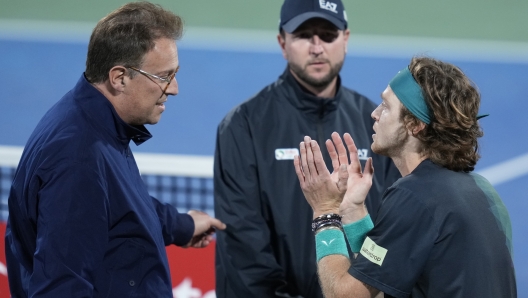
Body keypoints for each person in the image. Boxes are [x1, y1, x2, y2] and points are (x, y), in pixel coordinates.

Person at [5, 2, 225, 297]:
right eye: (164, 76)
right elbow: (62, 287)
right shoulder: (79, 157)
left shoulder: (93, 122)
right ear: (119, 77)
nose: (174, 89)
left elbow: (117, 204)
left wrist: (180, 225)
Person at [213, 0, 400, 296]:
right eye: (303, 36)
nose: (317, 47)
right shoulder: (244, 125)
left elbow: (392, 227)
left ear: (346, 40)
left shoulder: (376, 123)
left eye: (327, 35)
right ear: (282, 42)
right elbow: (243, 244)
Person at [294, 56, 517, 297]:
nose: (374, 113)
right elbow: (382, 281)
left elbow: (345, 295)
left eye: (386, 106)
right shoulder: (482, 190)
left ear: (414, 124)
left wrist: (325, 212)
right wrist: (353, 210)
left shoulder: (415, 196)